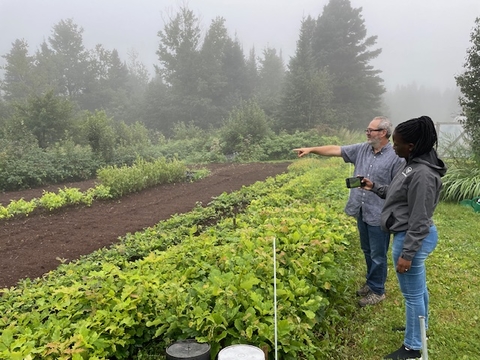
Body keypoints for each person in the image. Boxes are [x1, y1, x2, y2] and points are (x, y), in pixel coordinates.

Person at [293, 116, 405, 307]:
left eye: (370, 130)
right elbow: (336, 149)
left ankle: (378, 291)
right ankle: (371, 283)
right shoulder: (362, 148)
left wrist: (374, 186)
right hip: (361, 209)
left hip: (379, 213)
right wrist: (312, 150)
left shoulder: (396, 157)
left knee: (378, 254)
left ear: (383, 133)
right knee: (367, 250)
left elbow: (397, 189)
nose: (367, 133)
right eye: (367, 130)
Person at [361, 116, 447, 359]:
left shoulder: (422, 174)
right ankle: (420, 328)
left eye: (397, 143)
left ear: (411, 146)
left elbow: (420, 218)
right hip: (408, 235)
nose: (393, 146)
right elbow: (398, 194)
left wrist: (407, 254)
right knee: (418, 291)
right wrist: (373, 187)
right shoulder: (412, 164)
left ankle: (413, 347)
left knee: (411, 295)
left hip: (412, 237)